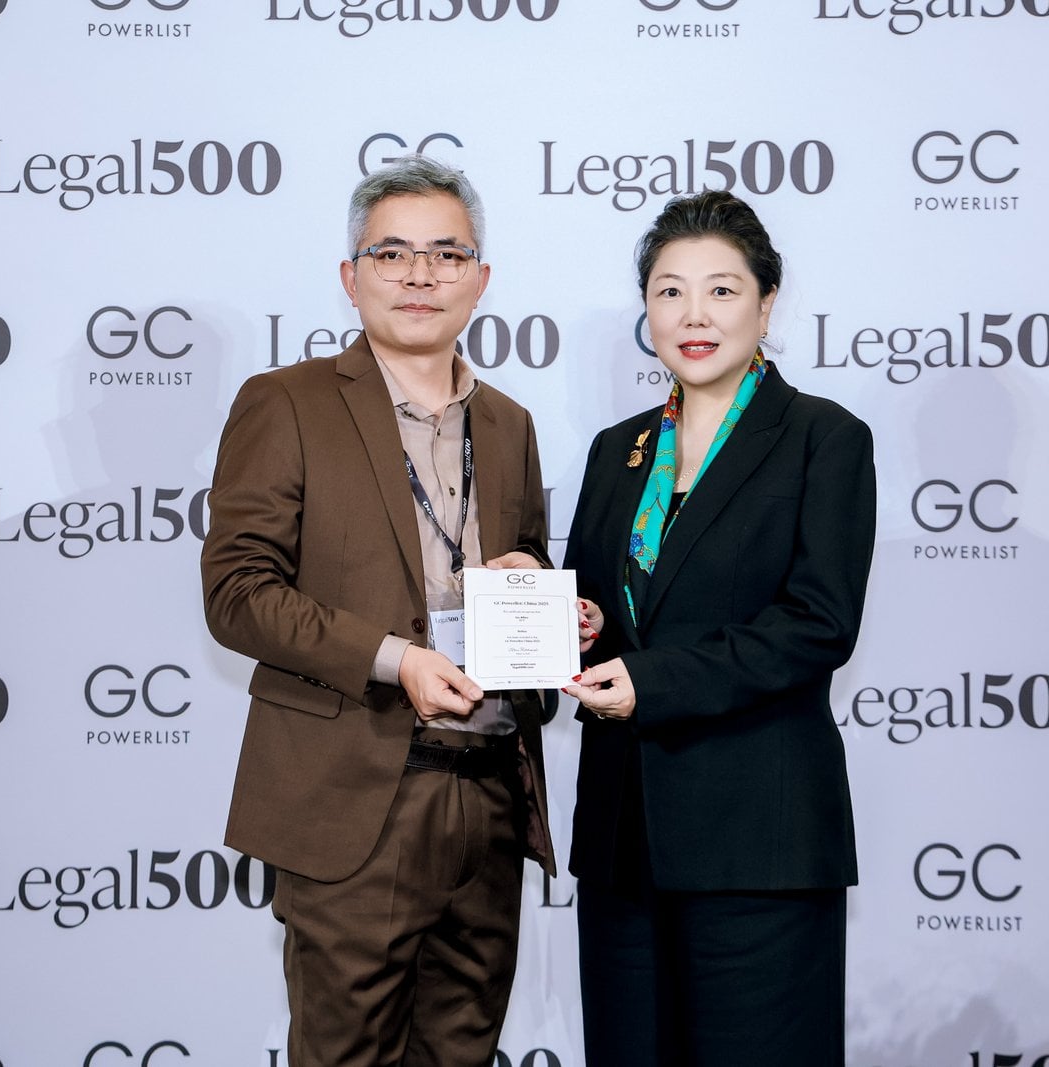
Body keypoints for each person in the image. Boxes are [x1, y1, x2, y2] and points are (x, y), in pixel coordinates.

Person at [200, 154, 557, 1067]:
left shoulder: (509, 423)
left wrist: (550, 604)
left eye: (447, 254)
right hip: (355, 796)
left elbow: (522, 570)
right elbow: (238, 593)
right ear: (351, 275)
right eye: (392, 254)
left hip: (488, 791)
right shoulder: (287, 403)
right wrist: (397, 659)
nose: (420, 275)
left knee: (463, 1051)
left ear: (481, 278)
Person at [561, 189, 876, 1065]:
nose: (693, 315)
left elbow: (818, 622)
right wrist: (581, 623)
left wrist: (651, 681)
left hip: (758, 844)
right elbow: (607, 608)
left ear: (766, 304)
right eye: (670, 291)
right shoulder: (617, 449)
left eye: (722, 290)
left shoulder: (822, 438)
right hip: (624, 844)